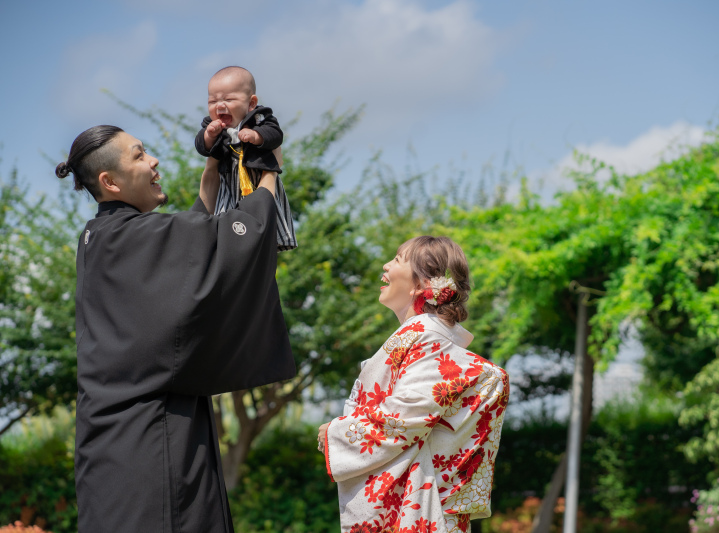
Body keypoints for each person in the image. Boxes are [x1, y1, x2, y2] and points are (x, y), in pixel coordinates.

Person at [55, 125, 296, 533]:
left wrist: (213, 170)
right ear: (109, 182)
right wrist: (267, 171)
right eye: (138, 155)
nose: (153, 162)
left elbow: (185, 253)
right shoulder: (132, 236)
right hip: (154, 445)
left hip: (112, 450)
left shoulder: (99, 236)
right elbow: (232, 242)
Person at [319, 236, 509, 533]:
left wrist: (336, 433)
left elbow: (405, 419)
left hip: (421, 506)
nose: (386, 264)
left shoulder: (428, 338)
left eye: (397, 259)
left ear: (421, 285)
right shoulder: (427, 337)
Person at [194, 66, 296, 253]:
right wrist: (209, 135)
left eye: (229, 99)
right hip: (228, 179)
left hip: (258, 178)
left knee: (264, 214)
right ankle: (226, 242)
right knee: (225, 216)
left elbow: (275, 135)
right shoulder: (212, 125)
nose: (219, 105)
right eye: (213, 101)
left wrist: (256, 136)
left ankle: (274, 239)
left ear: (251, 103)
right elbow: (202, 147)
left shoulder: (259, 118)